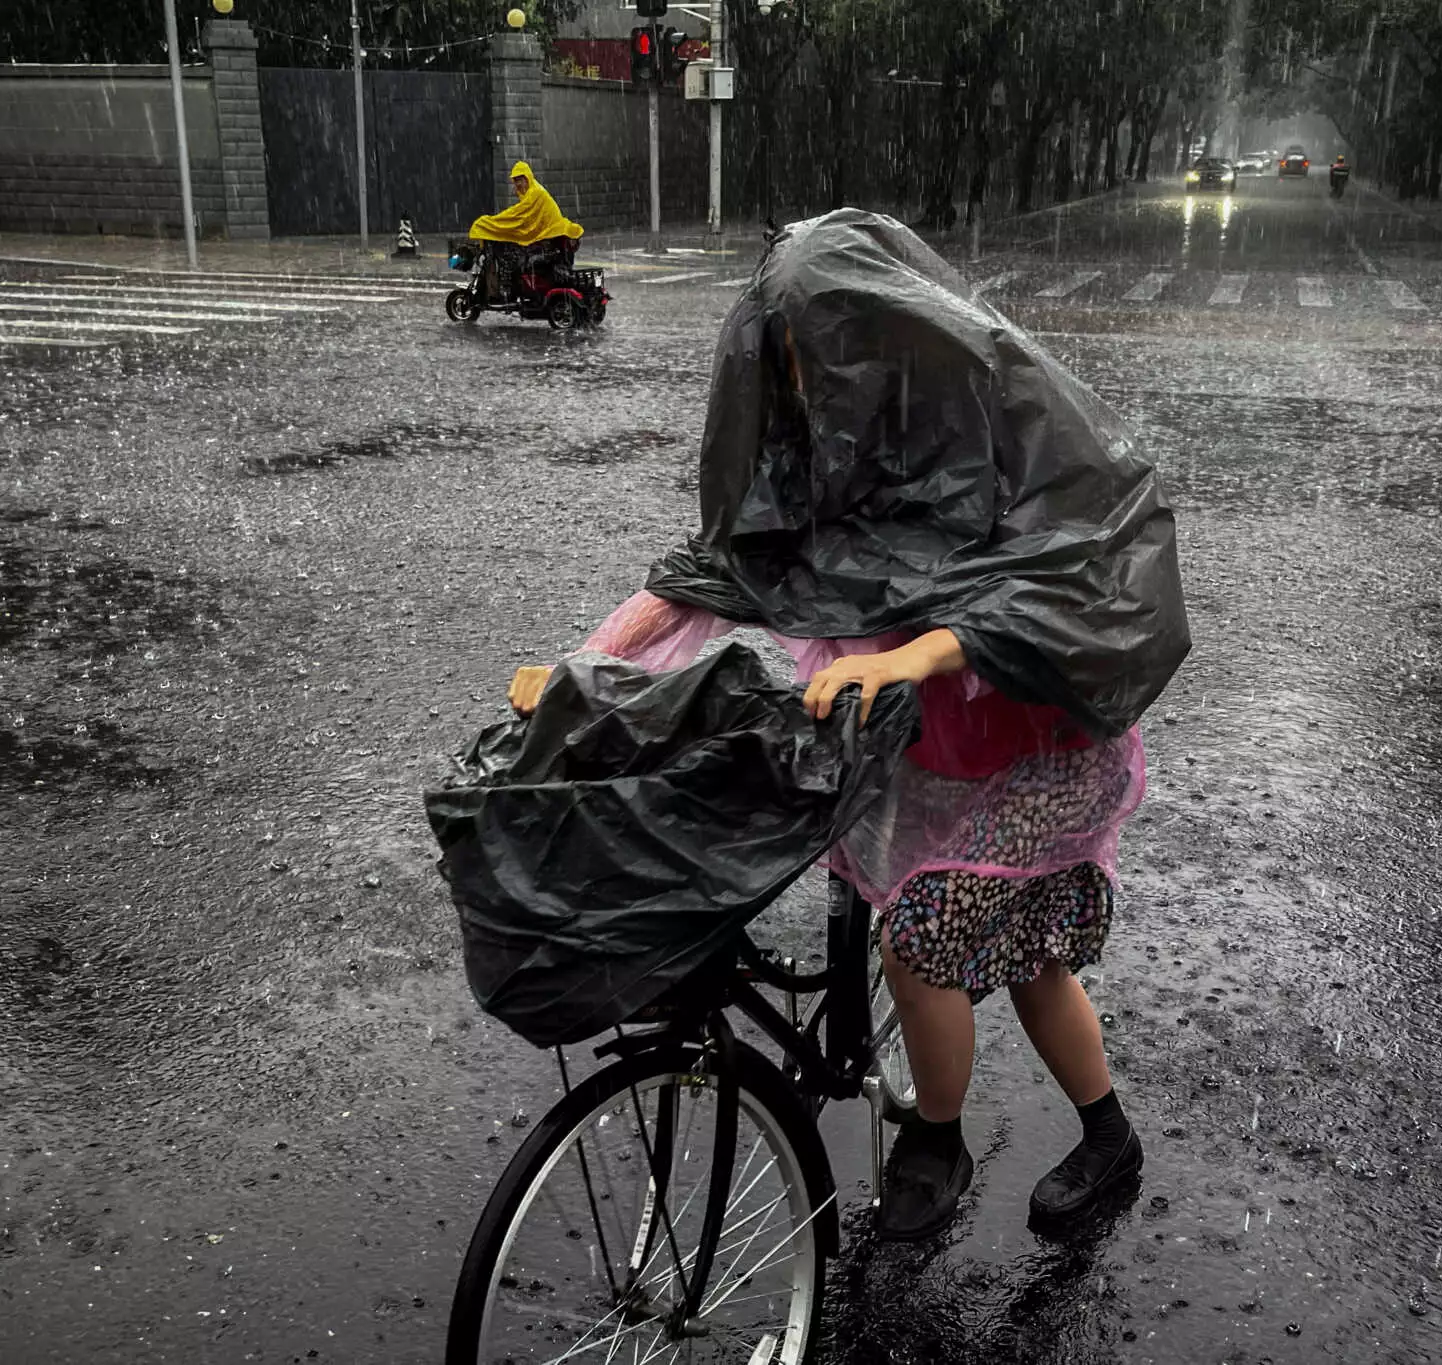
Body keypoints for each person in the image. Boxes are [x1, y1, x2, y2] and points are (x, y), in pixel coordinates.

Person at [507, 210, 1191, 1243]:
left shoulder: (993, 412)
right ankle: (1083, 1127)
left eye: (820, 345)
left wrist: (933, 647)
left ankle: (952, 1138)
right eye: (784, 349)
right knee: (990, 951)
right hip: (899, 729)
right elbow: (723, 571)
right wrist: (588, 671)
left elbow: (1080, 569)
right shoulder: (815, 431)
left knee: (957, 951)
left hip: (1018, 738)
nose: (803, 370)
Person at [467, 161, 584, 302]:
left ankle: (507, 292)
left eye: (520, 180)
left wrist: (490, 223)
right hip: (550, 240)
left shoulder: (535, 194)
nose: (517, 184)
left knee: (512, 258)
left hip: (547, 241)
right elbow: (522, 219)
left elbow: (517, 216)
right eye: (515, 181)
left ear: (527, 178)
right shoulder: (534, 192)